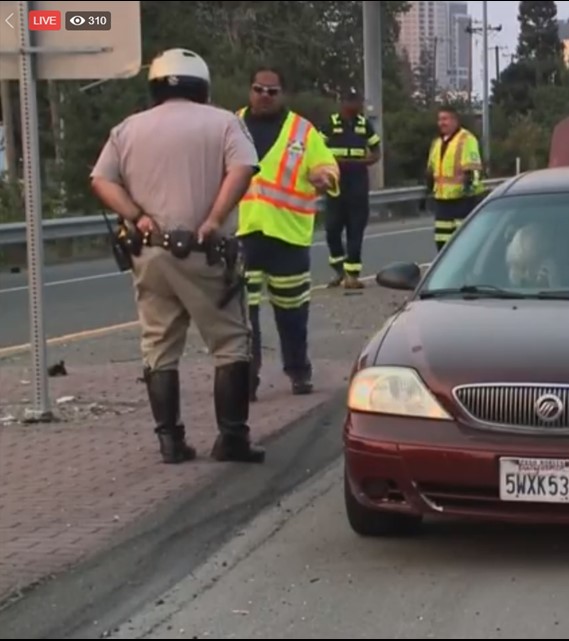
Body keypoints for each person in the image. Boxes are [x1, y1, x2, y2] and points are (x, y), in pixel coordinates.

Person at [89, 48, 264, 465]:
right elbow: (243, 168)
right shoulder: (224, 122)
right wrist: (214, 218)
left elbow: (100, 180)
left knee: (159, 344)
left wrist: (137, 216)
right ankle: (232, 438)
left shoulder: (127, 129)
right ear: (201, 85)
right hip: (206, 253)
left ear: (156, 86)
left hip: (151, 254)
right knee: (230, 343)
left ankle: (170, 442)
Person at [236, 66, 339, 399]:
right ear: (250, 91)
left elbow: (326, 164)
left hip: (289, 237)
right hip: (242, 234)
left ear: (282, 94)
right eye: (259, 89)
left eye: (272, 91)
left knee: (292, 314)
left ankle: (298, 372)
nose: (265, 96)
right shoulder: (231, 125)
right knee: (242, 317)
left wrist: (325, 177)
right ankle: (245, 379)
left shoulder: (302, 131)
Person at [320, 87, 381, 289]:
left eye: (358, 101)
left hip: (357, 181)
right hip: (336, 182)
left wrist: (365, 161)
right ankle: (339, 269)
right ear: (343, 103)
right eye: (352, 101)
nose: (356, 105)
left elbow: (376, 151)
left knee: (356, 229)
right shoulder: (331, 124)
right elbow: (316, 149)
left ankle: (352, 275)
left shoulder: (364, 125)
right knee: (332, 229)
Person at [425, 106, 486, 251]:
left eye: (445, 119)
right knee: (442, 242)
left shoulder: (466, 139)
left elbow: (473, 168)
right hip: (442, 200)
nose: (441, 123)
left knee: (463, 243)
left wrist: (469, 186)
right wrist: (428, 187)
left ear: (455, 121)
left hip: (462, 200)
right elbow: (431, 169)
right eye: (439, 119)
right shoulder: (437, 142)